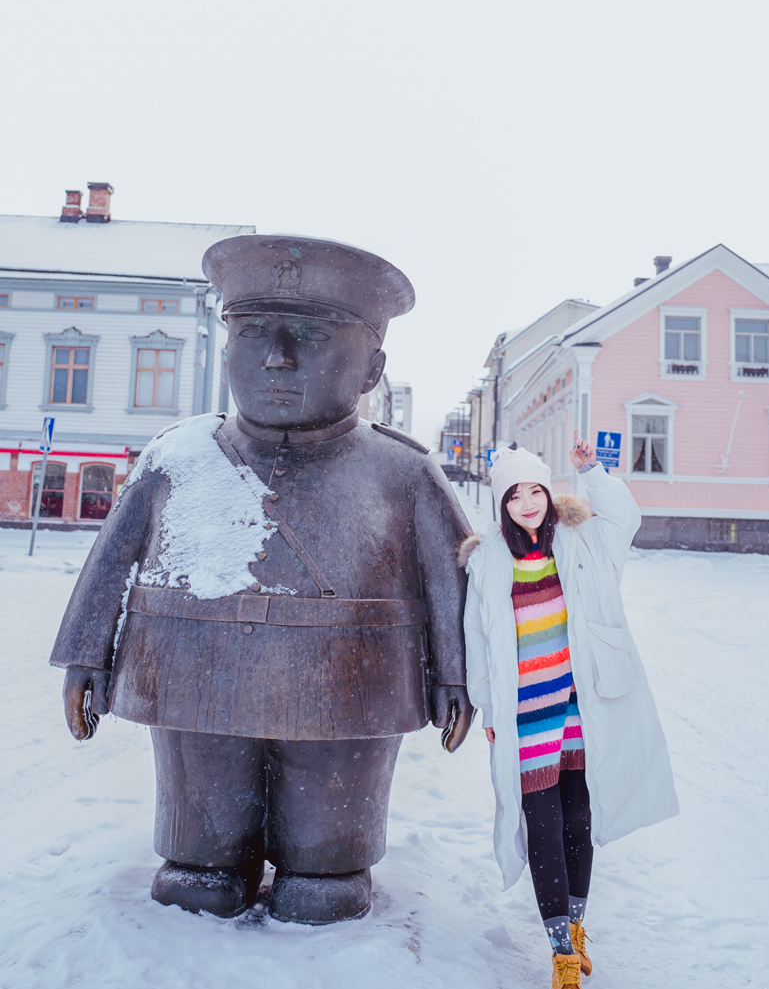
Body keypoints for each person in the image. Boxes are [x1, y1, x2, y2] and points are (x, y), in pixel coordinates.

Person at [51, 234, 474, 926]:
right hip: (195, 688)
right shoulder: (177, 456)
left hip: (345, 697)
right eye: (252, 334)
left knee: (322, 871)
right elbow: (113, 556)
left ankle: (326, 861)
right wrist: (85, 653)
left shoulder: (403, 473)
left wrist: (458, 674)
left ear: (372, 367)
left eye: (308, 334)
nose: (276, 357)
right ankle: (209, 857)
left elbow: (448, 575)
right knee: (200, 860)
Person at [459, 432, 678, 989]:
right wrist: (485, 706)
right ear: (501, 505)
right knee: (543, 827)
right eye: (516, 495)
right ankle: (560, 953)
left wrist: (594, 472)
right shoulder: (487, 560)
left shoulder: (581, 540)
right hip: (526, 711)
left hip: (579, 708)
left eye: (537, 490)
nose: (529, 502)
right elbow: (476, 639)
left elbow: (625, 518)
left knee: (579, 816)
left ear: (550, 495)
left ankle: (575, 932)